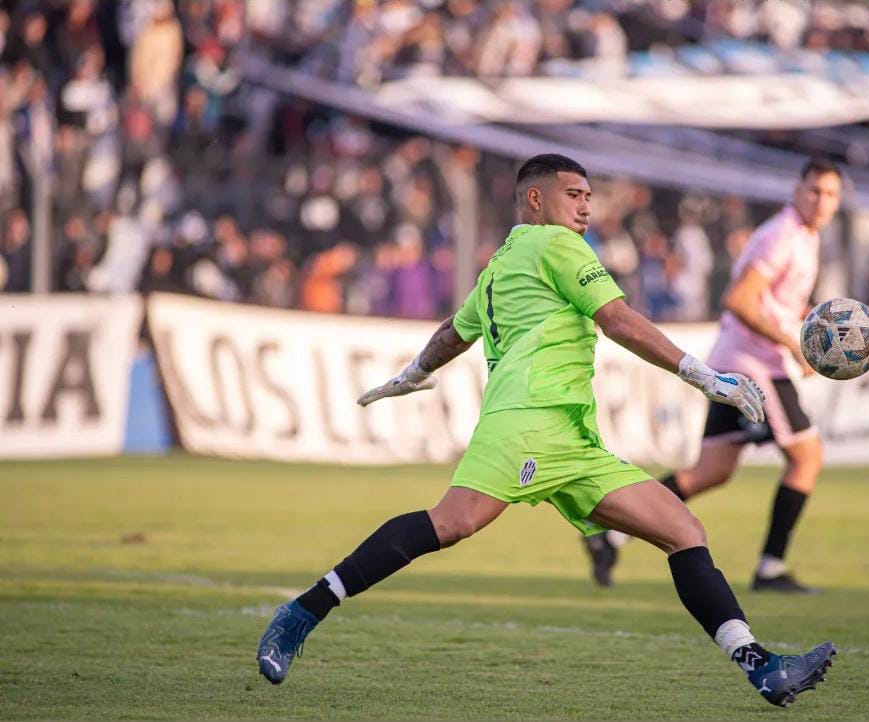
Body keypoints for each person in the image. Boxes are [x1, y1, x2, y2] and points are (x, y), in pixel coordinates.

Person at [256, 154, 836, 708]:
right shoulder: (558, 247)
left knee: (683, 529)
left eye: (589, 197)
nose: (586, 208)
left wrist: (413, 373)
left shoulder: (503, 263)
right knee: (451, 524)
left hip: (574, 441)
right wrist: (704, 375)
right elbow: (617, 320)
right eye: (573, 195)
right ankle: (303, 611)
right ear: (536, 199)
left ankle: (760, 665)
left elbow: (455, 332)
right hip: (526, 428)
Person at [585, 158, 843, 594]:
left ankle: (610, 534)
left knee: (709, 472)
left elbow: (776, 300)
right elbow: (740, 300)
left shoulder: (803, 237)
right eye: (814, 191)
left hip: (737, 359)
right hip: (754, 364)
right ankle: (771, 568)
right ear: (797, 191)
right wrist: (791, 343)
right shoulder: (783, 236)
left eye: (831, 194)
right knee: (807, 458)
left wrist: (813, 332)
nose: (821, 202)